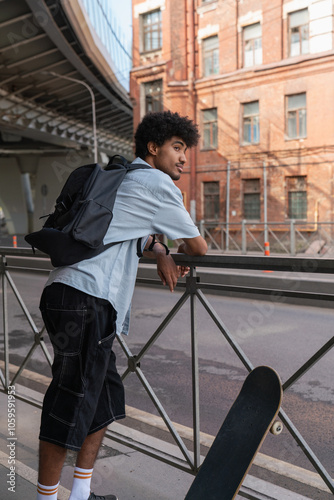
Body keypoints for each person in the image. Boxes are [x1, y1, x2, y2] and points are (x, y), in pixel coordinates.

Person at [37, 110, 208, 500]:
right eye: (177, 148)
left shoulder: (122, 179)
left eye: (186, 150)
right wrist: (176, 247)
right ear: (153, 148)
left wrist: (161, 247)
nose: (184, 158)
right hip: (87, 298)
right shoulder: (156, 184)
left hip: (74, 296)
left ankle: (81, 493)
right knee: (72, 401)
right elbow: (198, 248)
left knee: (103, 399)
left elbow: (129, 234)